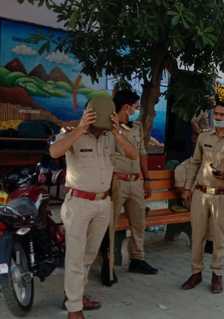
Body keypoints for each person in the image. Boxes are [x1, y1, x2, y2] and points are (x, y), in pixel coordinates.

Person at [49, 96, 138, 319]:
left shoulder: (110, 135)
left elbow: (133, 154)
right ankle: (74, 309)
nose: (100, 130)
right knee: (75, 257)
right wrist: (80, 129)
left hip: (103, 204)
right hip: (78, 203)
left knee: (88, 256)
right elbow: (54, 152)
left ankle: (76, 296)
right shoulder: (72, 133)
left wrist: (117, 132)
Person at [180, 102, 224, 294]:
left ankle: (217, 274)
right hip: (200, 192)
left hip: (222, 195)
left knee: (219, 237)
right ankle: (196, 272)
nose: (218, 117)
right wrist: (187, 188)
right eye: (216, 114)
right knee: (197, 235)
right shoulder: (204, 136)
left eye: (222, 114)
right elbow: (195, 162)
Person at [100, 90, 157, 287]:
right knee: (110, 224)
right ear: (126, 107)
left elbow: (142, 153)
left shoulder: (137, 127)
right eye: (135, 106)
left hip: (136, 182)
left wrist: (147, 179)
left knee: (139, 223)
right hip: (116, 182)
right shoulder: (108, 126)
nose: (136, 110)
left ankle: (137, 259)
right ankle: (107, 265)